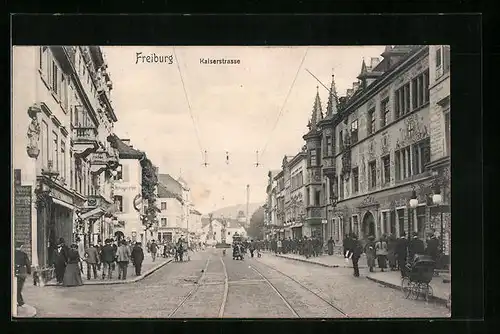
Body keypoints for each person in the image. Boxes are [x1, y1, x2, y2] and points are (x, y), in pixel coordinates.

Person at [15, 241, 31, 307]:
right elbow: (28, 264)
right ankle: (20, 302)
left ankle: (20, 301)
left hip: (14, 272)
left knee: (16, 288)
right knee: (19, 288)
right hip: (21, 273)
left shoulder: (12, 254)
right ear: (21, 247)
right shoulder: (24, 254)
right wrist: (29, 272)